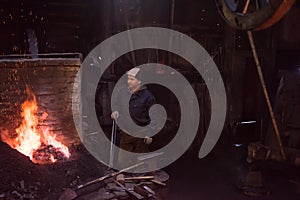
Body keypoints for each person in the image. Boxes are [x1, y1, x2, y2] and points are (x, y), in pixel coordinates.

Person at [111, 67, 157, 168]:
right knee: (122, 161)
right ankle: (127, 179)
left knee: (141, 163)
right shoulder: (123, 93)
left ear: (139, 81)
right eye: (128, 78)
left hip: (141, 134)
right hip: (126, 133)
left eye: (132, 79)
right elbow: (117, 104)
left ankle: (140, 181)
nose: (128, 81)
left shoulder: (148, 97)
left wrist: (150, 134)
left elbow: (155, 117)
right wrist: (115, 111)